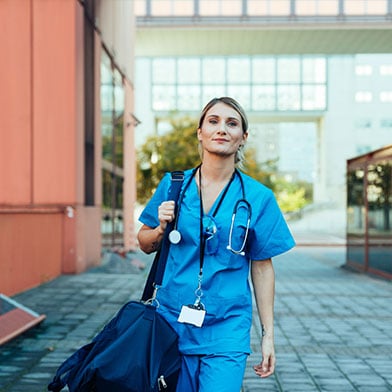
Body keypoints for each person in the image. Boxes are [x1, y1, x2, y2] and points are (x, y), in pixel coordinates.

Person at [137, 97, 295, 392]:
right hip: (170, 322)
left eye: (232, 123)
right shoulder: (174, 185)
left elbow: (262, 267)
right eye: (213, 121)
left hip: (227, 327)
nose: (222, 129)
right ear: (200, 131)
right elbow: (145, 243)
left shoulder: (258, 197)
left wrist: (268, 335)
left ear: (243, 137)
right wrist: (160, 228)